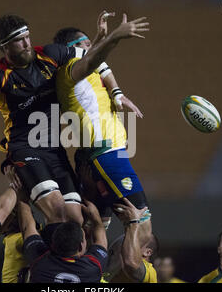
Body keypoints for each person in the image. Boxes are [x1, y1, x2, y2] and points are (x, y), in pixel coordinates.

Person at [0, 13, 150, 230]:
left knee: (76, 221)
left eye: (27, 37)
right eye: (18, 40)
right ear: (4, 47)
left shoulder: (49, 54)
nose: (26, 43)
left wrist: (108, 42)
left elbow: (90, 58)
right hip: (25, 148)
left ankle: (57, 255)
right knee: (58, 213)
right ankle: (40, 259)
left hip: (54, 150)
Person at [53, 14, 152, 246]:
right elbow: (95, 58)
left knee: (97, 227)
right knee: (143, 225)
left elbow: (100, 62)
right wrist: (115, 36)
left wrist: (117, 92)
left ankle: (98, 278)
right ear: (72, 49)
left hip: (100, 152)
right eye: (86, 44)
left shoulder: (89, 70)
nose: (93, 47)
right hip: (106, 152)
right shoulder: (70, 70)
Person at [17, 193, 108, 283]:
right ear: (80, 246)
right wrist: (95, 216)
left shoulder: (40, 261)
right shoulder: (93, 266)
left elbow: (27, 226)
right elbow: (101, 240)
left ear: (52, 245)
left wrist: (22, 198)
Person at [102, 198, 159, 283]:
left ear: (147, 252)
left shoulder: (150, 275)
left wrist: (133, 222)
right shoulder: (99, 277)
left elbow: (130, 263)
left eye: (136, 239)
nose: (127, 240)